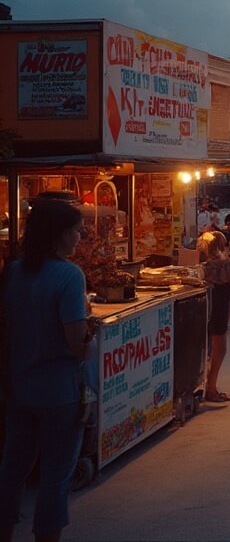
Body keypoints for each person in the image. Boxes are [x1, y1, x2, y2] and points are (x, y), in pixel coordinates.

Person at [0, 199, 93, 542]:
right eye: (76, 232)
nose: (79, 239)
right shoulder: (69, 275)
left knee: (12, 470)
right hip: (59, 393)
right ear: (59, 235)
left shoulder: (12, 271)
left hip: (19, 387)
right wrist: (90, 335)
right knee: (56, 476)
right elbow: (75, 343)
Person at [198, 231, 230, 403]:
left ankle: (199, 385)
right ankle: (211, 387)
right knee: (219, 348)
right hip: (219, 305)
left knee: (200, 348)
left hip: (200, 307)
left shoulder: (200, 264)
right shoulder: (224, 263)